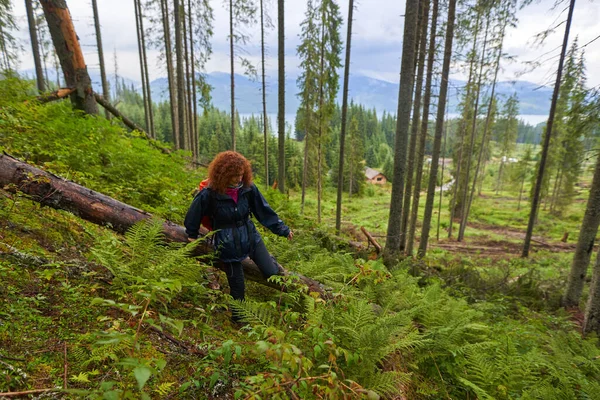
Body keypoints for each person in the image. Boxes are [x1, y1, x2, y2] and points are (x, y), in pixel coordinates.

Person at [184, 151, 293, 316]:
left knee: (271, 272)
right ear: (224, 174)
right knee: (238, 286)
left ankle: (268, 259)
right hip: (227, 243)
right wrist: (191, 234)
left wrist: (282, 229)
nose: (239, 179)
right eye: (235, 175)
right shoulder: (210, 193)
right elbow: (194, 213)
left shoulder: (248, 189)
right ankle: (238, 318)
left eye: (242, 174)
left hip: (250, 236)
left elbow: (264, 211)